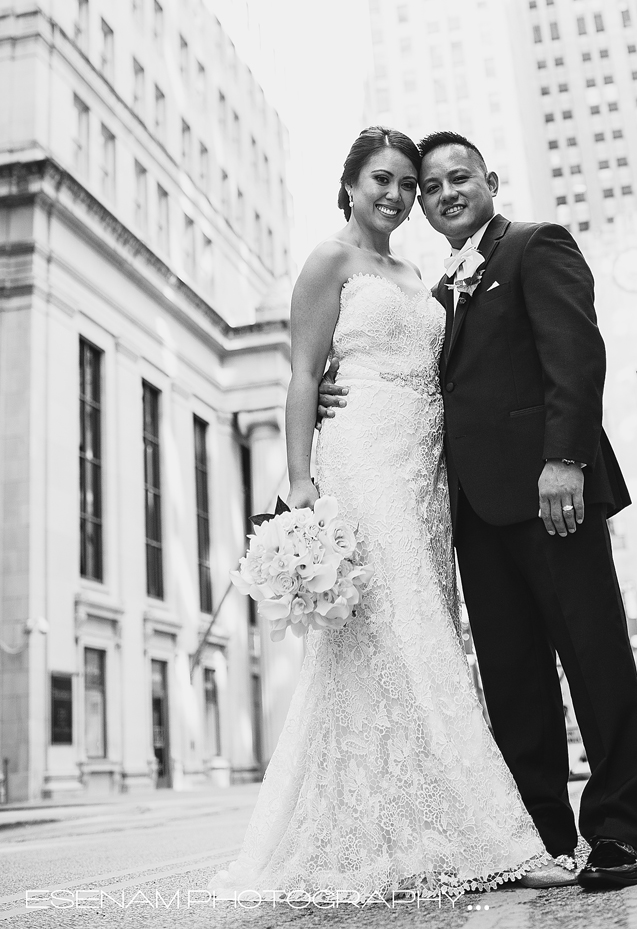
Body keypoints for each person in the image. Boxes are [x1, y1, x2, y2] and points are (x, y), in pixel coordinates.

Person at [208, 128, 545, 902]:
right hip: (364, 459)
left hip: (428, 469)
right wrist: (301, 483)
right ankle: (494, 832)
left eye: (405, 185)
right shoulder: (330, 259)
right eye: (381, 181)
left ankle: (405, 825)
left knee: (410, 635)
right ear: (350, 185)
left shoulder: (416, 268)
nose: (395, 197)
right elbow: (301, 374)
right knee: (414, 632)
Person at [320, 131, 637, 890]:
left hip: (552, 496)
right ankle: (538, 834)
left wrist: (564, 460)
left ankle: (620, 833)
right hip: (471, 509)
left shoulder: (537, 246)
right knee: (512, 681)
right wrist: (324, 390)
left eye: (455, 178)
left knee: (594, 660)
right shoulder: (435, 290)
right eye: (427, 184)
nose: (440, 192)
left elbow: (576, 354)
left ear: (490, 181)